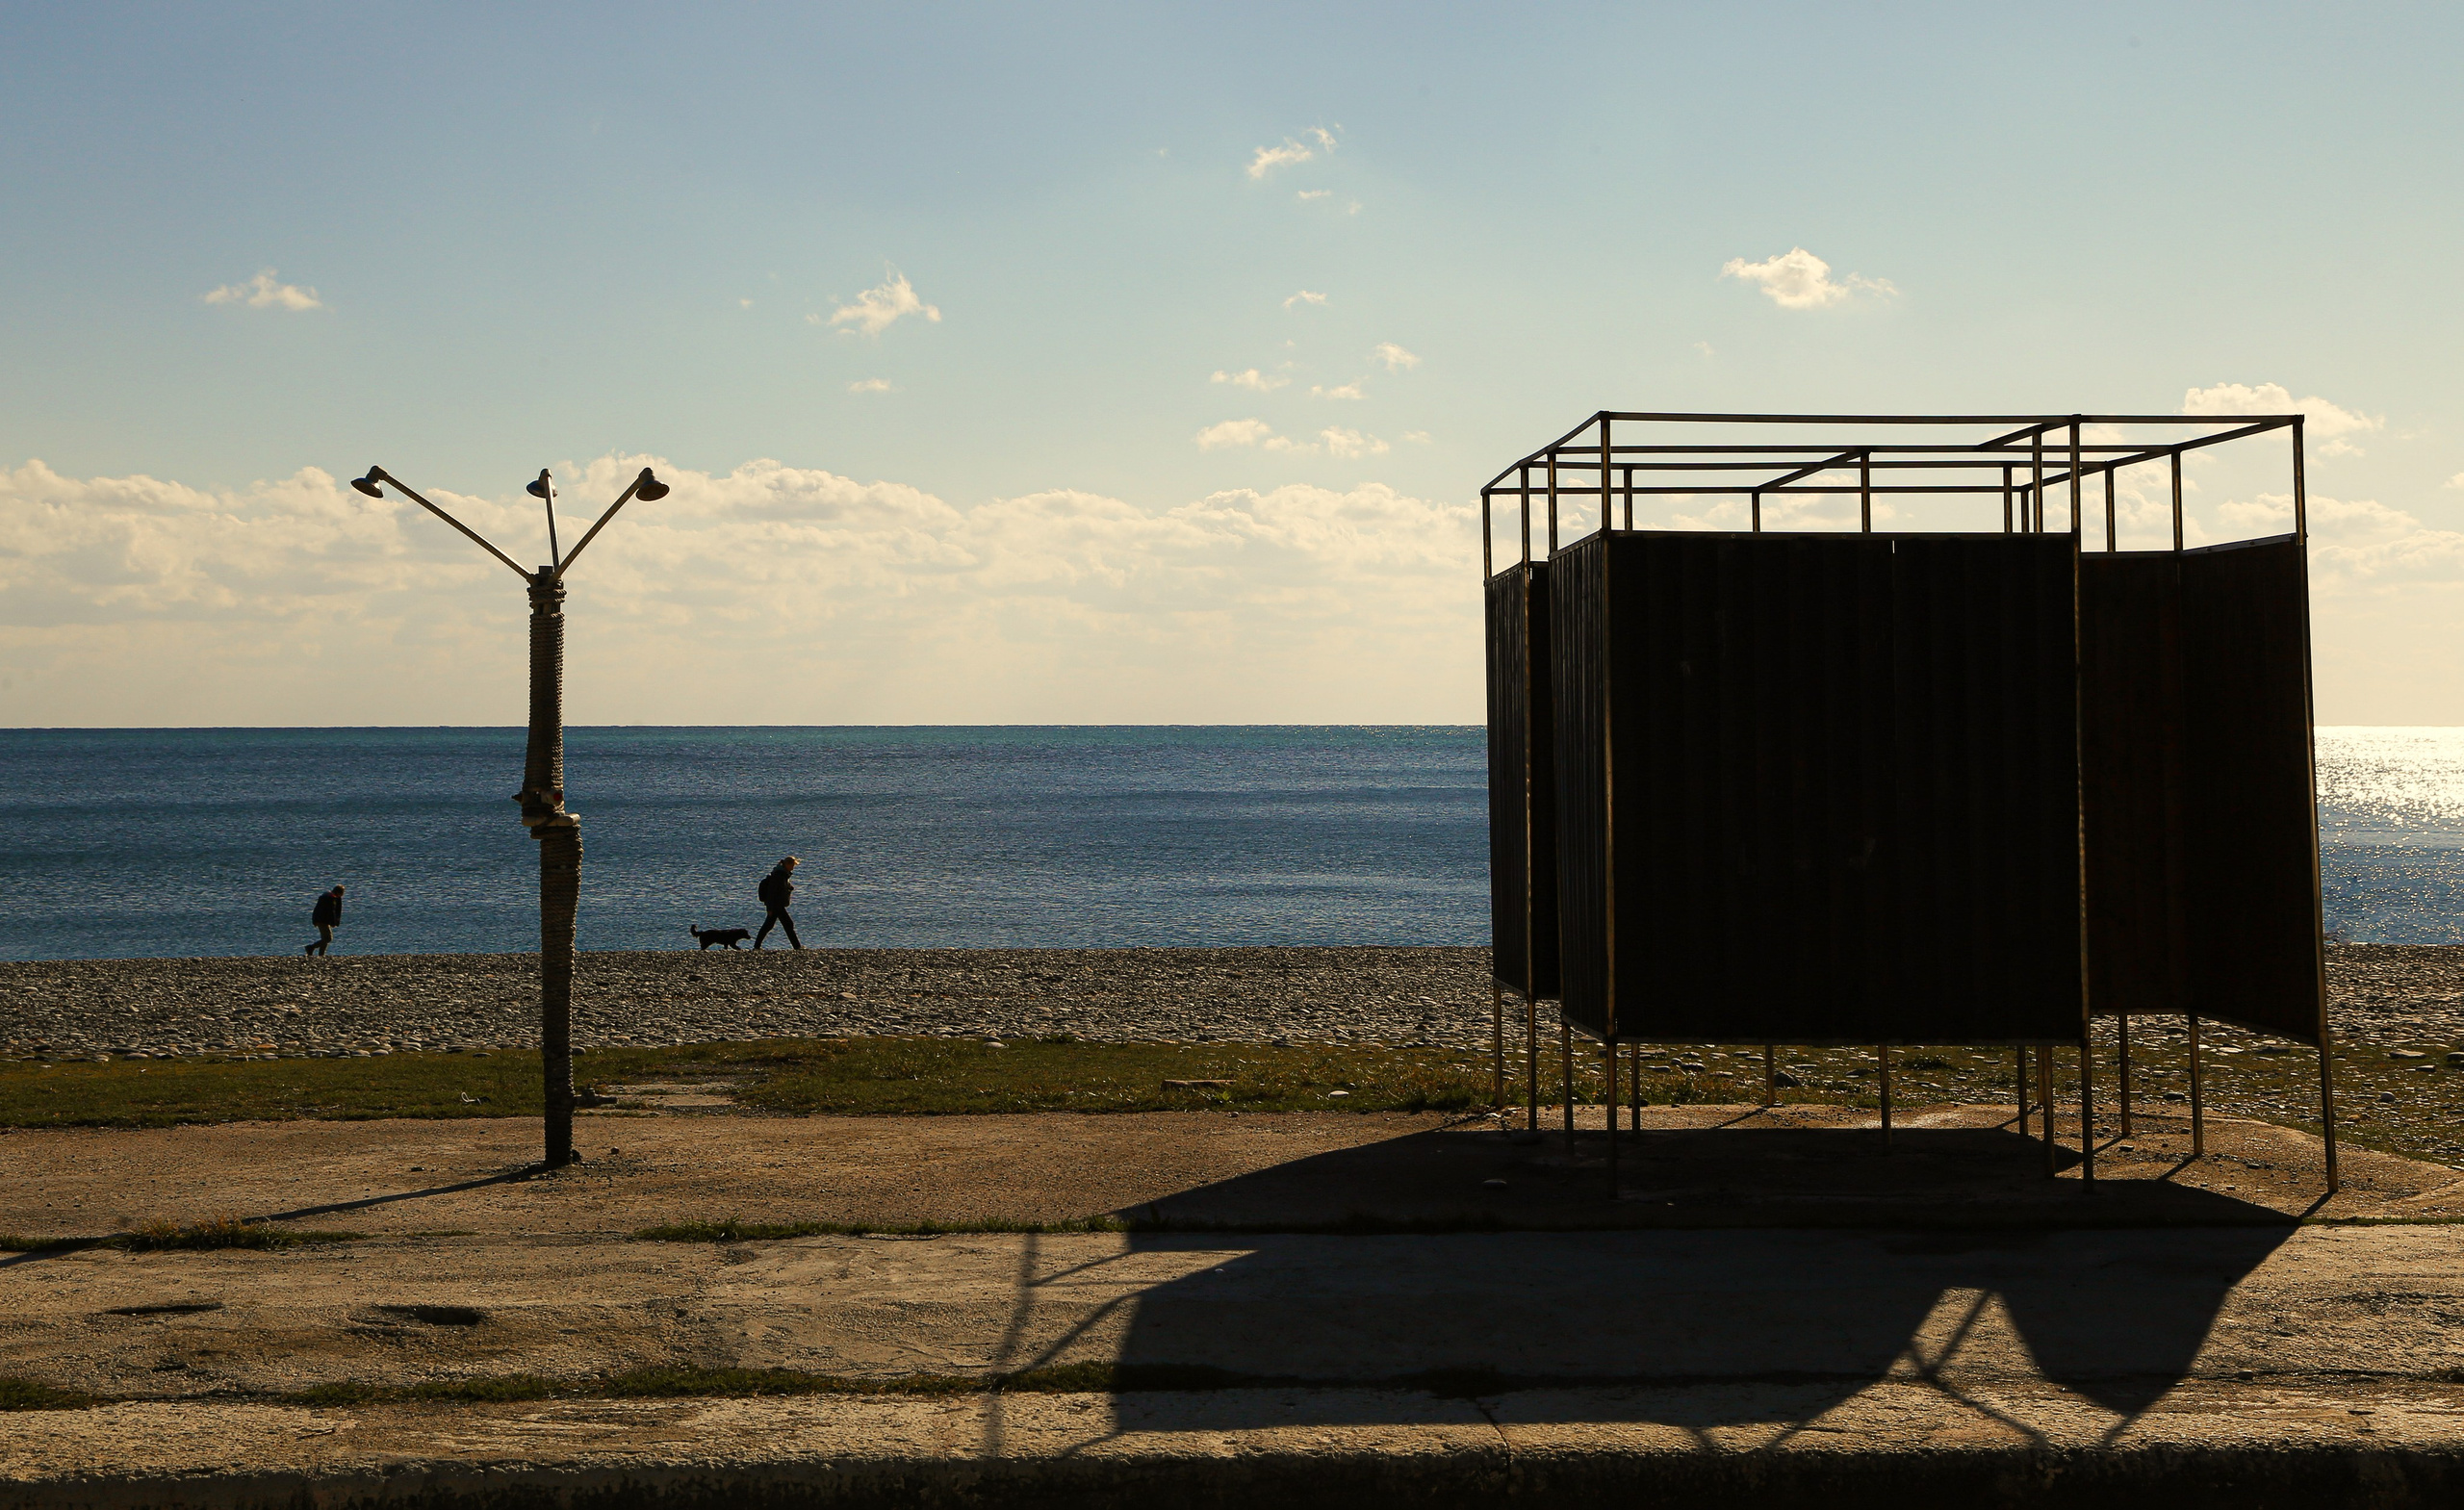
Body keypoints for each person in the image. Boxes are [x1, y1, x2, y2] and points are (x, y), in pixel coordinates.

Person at [755, 856, 802, 950]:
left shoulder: (781, 874)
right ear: (787, 864)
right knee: (788, 924)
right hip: (776, 905)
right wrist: (770, 908)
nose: (793, 868)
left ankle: (757, 946)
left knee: (769, 925)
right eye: (792, 865)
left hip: (777, 905)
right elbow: (773, 893)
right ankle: (797, 947)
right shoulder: (779, 875)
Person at [306, 884, 346, 956]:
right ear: (339, 892)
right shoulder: (330, 898)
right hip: (322, 920)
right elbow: (331, 912)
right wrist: (333, 922)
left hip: (320, 919)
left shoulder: (327, 897)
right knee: (328, 938)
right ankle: (311, 947)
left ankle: (321, 954)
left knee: (324, 938)